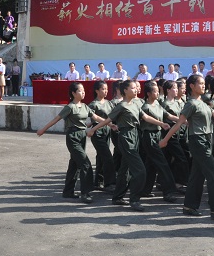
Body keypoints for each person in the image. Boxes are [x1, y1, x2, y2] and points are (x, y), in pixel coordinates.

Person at [160, 74, 214, 222]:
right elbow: (179, 123)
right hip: (197, 140)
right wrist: (165, 140)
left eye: (204, 83)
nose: (204, 86)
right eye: (201, 84)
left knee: (197, 175)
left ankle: (189, 207)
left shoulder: (204, 103)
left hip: (206, 139)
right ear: (192, 86)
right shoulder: (190, 104)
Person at [88, 80, 168, 212]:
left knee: (125, 169)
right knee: (140, 170)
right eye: (132, 88)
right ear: (125, 90)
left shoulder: (135, 105)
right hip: (125, 137)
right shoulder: (121, 106)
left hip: (135, 135)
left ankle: (117, 197)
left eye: (136, 88)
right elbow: (108, 120)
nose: (136, 90)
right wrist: (92, 130)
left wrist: (161, 124)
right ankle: (134, 199)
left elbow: (146, 117)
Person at [37, 82, 106, 203]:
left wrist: (110, 123)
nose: (83, 93)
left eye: (84, 90)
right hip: (73, 136)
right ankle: (86, 193)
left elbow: (96, 117)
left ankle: (68, 191)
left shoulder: (85, 106)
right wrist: (43, 129)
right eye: (80, 91)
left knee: (74, 165)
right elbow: (56, 119)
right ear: (73, 93)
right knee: (85, 164)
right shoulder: (70, 107)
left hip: (82, 135)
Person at [87, 80, 117, 192]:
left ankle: (98, 182)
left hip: (107, 131)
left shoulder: (109, 103)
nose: (105, 91)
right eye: (103, 89)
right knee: (108, 157)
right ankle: (110, 183)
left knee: (101, 157)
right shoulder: (93, 105)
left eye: (106, 89)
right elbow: (93, 119)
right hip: (97, 132)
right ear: (97, 91)